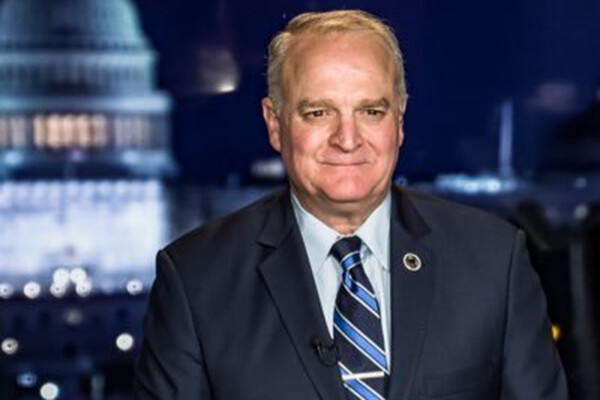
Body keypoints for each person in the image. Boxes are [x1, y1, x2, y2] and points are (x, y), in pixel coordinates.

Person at [134, 10, 568, 400]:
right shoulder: (195, 280)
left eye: (371, 111)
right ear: (275, 124)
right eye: (319, 112)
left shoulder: (494, 260)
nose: (347, 139)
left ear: (399, 121)